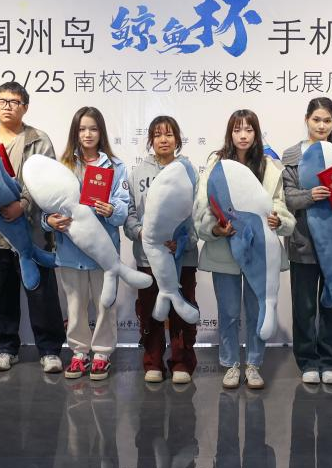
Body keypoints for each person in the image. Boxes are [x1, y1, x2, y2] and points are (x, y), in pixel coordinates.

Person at [193, 110, 295, 390]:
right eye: (237, 129)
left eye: (249, 130)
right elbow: (203, 205)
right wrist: (215, 229)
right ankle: (230, 364)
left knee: (257, 309)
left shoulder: (269, 167)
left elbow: (280, 205)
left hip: (260, 252)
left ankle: (253, 364)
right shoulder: (216, 165)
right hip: (224, 251)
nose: (243, 135)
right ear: (230, 133)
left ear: (256, 133)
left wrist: (278, 220)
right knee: (228, 312)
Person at [0, 82, 67, 374]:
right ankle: (5, 348)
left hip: (32, 234)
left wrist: (22, 204)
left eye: (14, 102)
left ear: (25, 107)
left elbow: (47, 182)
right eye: (2, 101)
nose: (7, 106)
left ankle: (50, 350)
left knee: (42, 295)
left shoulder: (39, 140)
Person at [43, 106, 130, 381]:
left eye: (93, 128)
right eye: (82, 129)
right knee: (75, 305)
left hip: (103, 251)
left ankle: (102, 353)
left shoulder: (116, 167)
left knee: (105, 304)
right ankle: (79, 353)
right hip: (70, 250)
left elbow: (123, 210)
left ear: (101, 132)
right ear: (75, 132)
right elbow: (46, 206)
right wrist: (49, 221)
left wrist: (111, 209)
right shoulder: (62, 166)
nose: (88, 134)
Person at [280, 97, 332, 386]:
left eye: (327, 120)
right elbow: (287, 197)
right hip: (303, 244)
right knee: (304, 307)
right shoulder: (291, 156)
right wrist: (310, 196)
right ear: (307, 120)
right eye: (316, 119)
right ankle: (307, 361)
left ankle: (328, 361)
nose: (322, 125)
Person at [124, 115, 199, 384]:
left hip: (182, 257)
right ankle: (153, 361)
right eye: (157, 135)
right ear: (150, 140)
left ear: (177, 139)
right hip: (148, 257)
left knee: (182, 308)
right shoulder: (137, 173)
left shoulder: (189, 171)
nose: (163, 140)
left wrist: (185, 241)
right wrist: (141, 233)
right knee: (149, 310)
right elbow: (129, 212)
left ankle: (181, 362)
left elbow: (198, 213)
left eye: (168, 134)